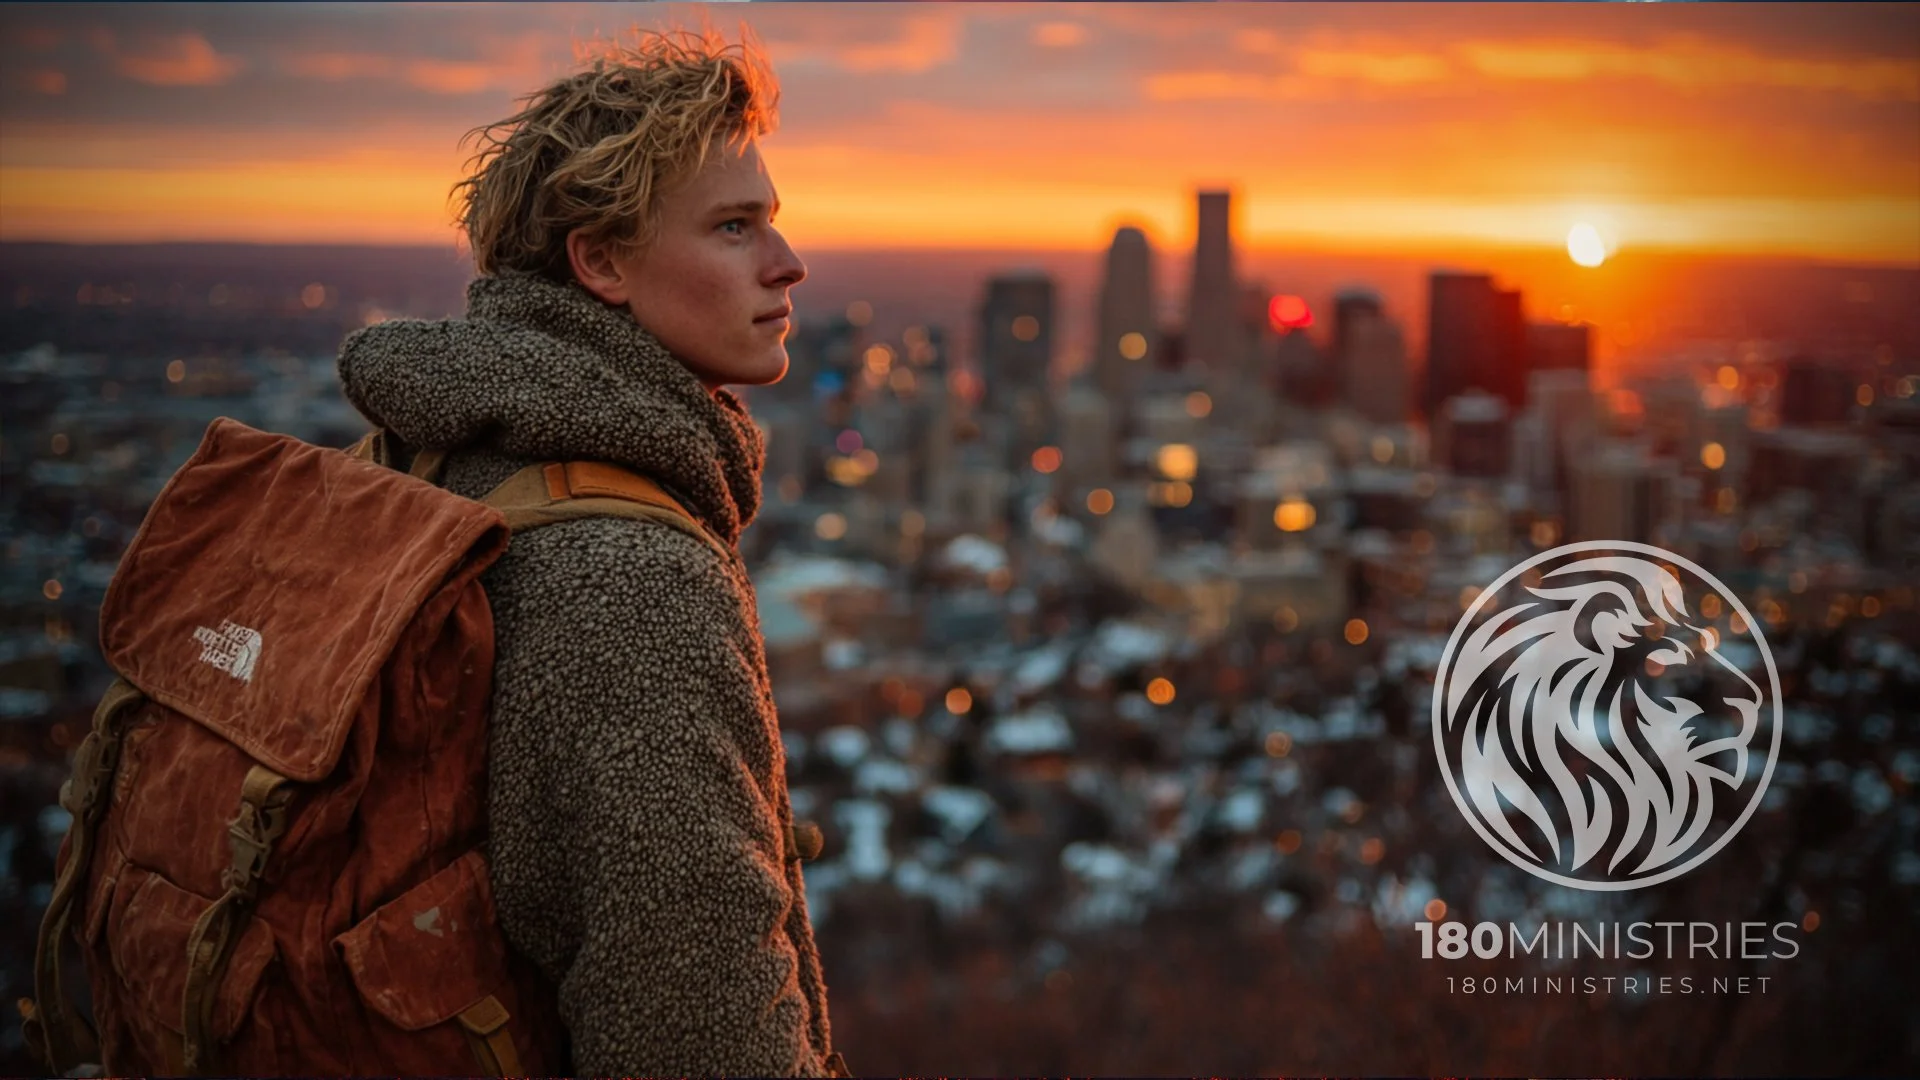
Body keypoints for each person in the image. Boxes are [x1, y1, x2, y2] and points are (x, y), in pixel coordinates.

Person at [335, 26, 840, 1077]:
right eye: (735, 227)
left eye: (771, 221)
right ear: (601, 262)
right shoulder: (631, 586)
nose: (788, 262)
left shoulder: (423, 463)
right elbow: (701, 1042)